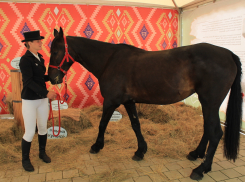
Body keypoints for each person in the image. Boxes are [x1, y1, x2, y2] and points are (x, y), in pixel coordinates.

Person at [19, 30, 57, 172]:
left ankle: (42, 153)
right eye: (37, 41)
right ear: (29, 44)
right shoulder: (25, 60)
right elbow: (28, 82)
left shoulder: (40, 58)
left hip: (42, 100)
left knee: (42, 128)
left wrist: (53, 78)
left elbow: (40, 78)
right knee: (29, 132)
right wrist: (46, 92)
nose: (41, 42)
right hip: (30, 100)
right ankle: (25, 160)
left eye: (40, 40)